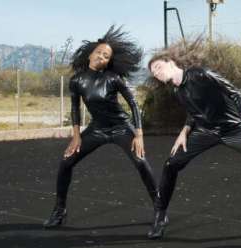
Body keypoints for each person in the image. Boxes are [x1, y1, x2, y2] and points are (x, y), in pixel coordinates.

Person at [145, 40, 241, 240]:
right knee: (171, 164)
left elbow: (235, 93)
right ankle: (160, 216)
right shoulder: (177, 90)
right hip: (205, 132)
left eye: (158, 67)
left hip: (234, 129)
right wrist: (184, 132)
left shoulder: (201, 74)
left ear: (171, 62)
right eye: (153, 72)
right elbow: (194, 112)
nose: (156, 73)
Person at [43, 25, 158, 229]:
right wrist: (76, 136)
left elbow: (133, 104)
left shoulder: (113, 78)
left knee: (141, 162)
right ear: (90, 54)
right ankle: (59, 211)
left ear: (108, 61)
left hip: (121, 127)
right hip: (97, 129)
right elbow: (75, 109)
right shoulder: (77, 80)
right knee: (66, 162)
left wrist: (138, 134)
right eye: (99, 52)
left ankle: (160, 209)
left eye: (106, 56)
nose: (101, 57)